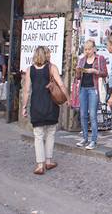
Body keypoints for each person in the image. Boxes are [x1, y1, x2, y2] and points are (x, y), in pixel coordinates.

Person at [22, 46, 70, 175]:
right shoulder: (52, 68)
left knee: (38, 136)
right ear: (46, 55)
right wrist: (67, 98)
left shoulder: (29, 70)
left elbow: (27, 91)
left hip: (36, 106)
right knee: (50, 133)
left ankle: (40, 165)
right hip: (51, 106)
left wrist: (24, 107)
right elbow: (60, 84)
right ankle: (48, 161)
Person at [75, 40, 108, 150]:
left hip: (93, 89)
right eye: (85, 49)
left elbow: (105, 73)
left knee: (93, 115)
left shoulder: (100, 59)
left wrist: (95, 71)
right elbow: (78, 77)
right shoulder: (82, 59)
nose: (87, 51)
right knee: (83, 114)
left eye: (89, 49)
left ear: (94, 48)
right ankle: (85, 138)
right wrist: (78, 71)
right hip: (83, 89)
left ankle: (93, 140)